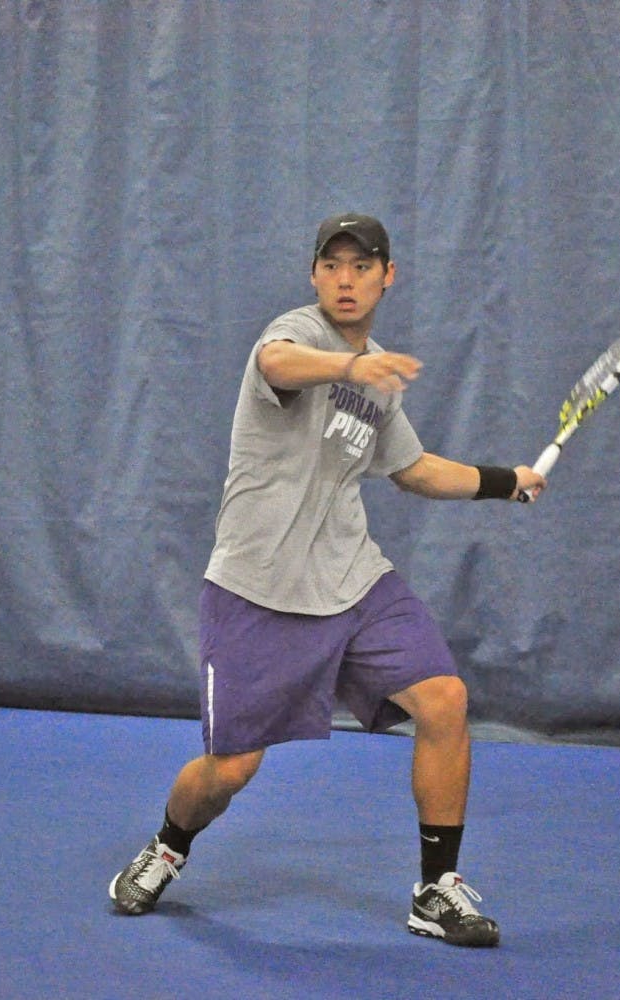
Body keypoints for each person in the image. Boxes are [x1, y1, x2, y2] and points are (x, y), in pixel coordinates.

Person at [109, 213, 546, 947]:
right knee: (229, 770)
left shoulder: (378, 378)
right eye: (333, 265)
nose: (347, 279)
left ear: (387, 276)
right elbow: (278, 365)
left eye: (362, 265)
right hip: (257, 587)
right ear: (315, 275)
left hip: (350, 578)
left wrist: (505, 482)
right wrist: (347, 367)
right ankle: (167, 847)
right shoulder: (294, 339)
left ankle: (435, 889)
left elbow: (411, 469)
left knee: (443, 699)